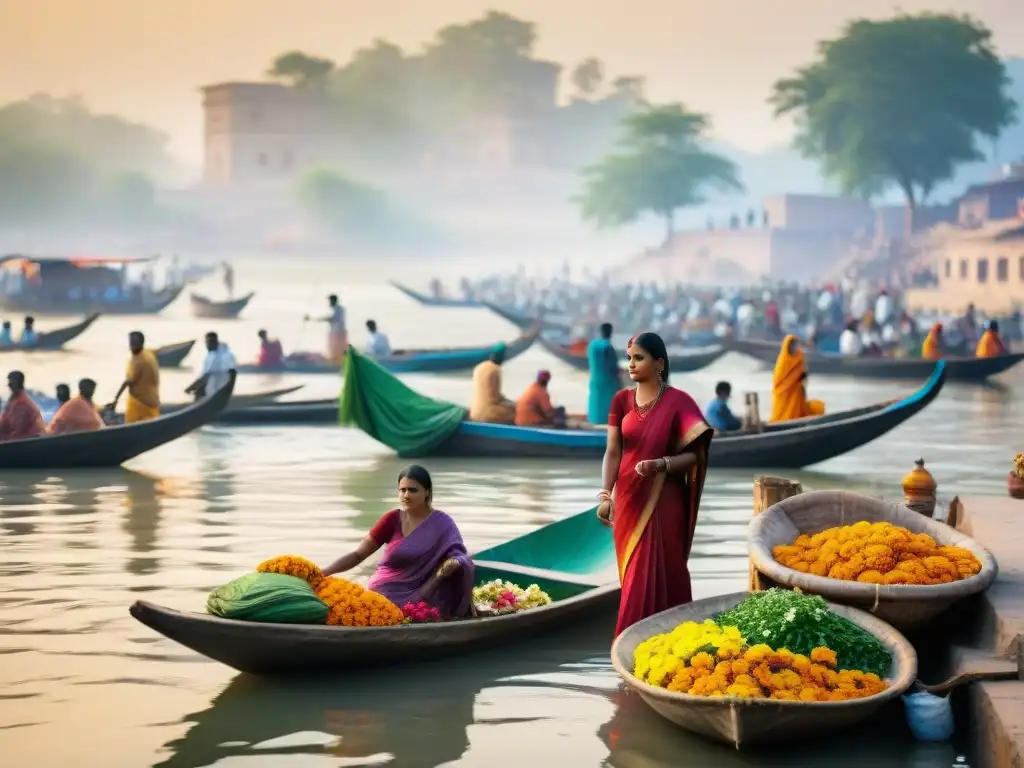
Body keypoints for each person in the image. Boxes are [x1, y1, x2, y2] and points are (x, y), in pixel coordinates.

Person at [596, 332, 713, 637]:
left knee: (665, 573)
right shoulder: (621, 400)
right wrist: (605, 495)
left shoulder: (679, 402)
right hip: (628, 502)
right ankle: (634, 649)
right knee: (633, 579)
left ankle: (663, 643)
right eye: (630, 358)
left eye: (639, 357)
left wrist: (661, 464)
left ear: (659, 363)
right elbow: (612, 451)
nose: (631, 364)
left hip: (665, 501)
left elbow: (694, 455)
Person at [320, 465, 473, 618]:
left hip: (422, 599)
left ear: (427, 492)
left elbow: (459, 556)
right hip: (377, 598)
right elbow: (358, 555)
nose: (406, 495)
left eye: (413, 490)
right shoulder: (391, 519)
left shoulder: (442, 524)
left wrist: (446, 570)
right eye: (402, 490)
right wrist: (324, 572)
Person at [769, 335, 826, 422]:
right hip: (784, 396)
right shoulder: (782, 363)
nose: (794, 347)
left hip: (797, 393)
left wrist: (802, 378)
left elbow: (802, 372)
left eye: (795, 344)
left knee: (818, 407)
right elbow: (778, 384)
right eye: (791, 345)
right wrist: (795, 380)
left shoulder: (799, 356)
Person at [107, 331, 161, 423]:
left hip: (142, 403)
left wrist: (115, 399)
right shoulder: (147, 352)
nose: (131, 344)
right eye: (130, 342)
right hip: (152, 400)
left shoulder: (140, 361)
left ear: (141, 343)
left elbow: (128, 382)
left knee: (132, 424)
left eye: (134, 342)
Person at [469, 344, 516, 424]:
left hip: (474, 412)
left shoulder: (479, 367)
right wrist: (511, 404)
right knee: (515, 413)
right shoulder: (495, 370)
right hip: (488, 413)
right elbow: (495, 397)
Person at [587, 323, 621, 425]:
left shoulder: (592, 345)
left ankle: (594, 420)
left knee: (595, 403)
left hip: (595, 381)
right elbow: (613, 368)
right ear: (611, 333)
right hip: (608, 384)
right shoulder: (608, 347)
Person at [186, 332, 237, 399]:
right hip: (213, 388)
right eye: (207, 342)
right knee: (198, 390)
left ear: (216, 342)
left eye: (211, 342)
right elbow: (205, 376)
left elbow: (233, 373)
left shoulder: (224, 355)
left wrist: (228, 391)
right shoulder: (211, 356)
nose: (208, 345)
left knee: (199, 389)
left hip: (219, 390)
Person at [0, 370, 46, 441]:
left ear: (19, 382)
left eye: (11, 381)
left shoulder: (22, 403)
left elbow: (17, 432)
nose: (9, 384)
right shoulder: (13, 399)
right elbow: (4, 422)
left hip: (27, 442)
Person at [306, 294, 347, 363]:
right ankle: (335, 361)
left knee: (337, 351)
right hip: (335, 332)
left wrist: (312, 319)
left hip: (338, 333)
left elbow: (329, 319)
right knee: (333, 351)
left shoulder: (338, 309)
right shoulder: (335, 309)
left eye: (330, 301)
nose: (329, 303)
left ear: (333, 301)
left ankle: (338, 363)